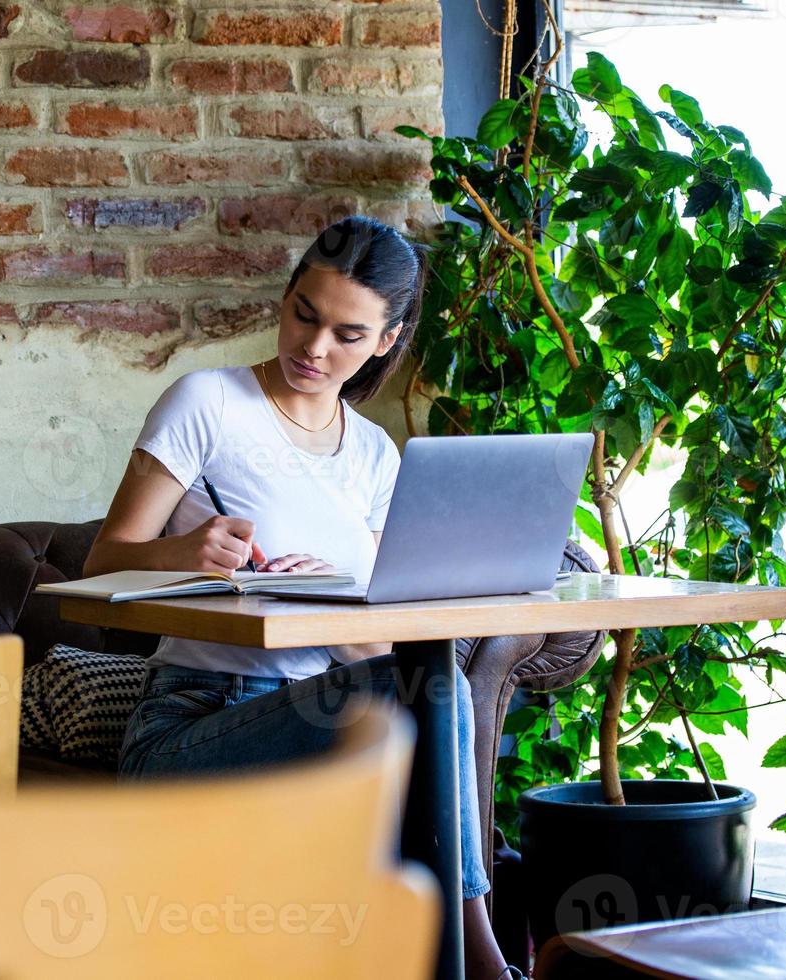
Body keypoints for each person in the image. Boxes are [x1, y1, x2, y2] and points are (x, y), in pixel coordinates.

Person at [87, 215, 527, 980]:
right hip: (198, 721)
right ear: (287, 298)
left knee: (432, 688)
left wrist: (334, 626)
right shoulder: (207, 404)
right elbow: (100, 569)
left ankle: (455, 955)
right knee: (435, 690)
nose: (315, 349)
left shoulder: (373, 453)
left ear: (387, 341)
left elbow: (388, 633)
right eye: (304, 315)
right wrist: (184, 553)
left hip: (329, 715)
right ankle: (482, 959)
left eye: (349, 335)